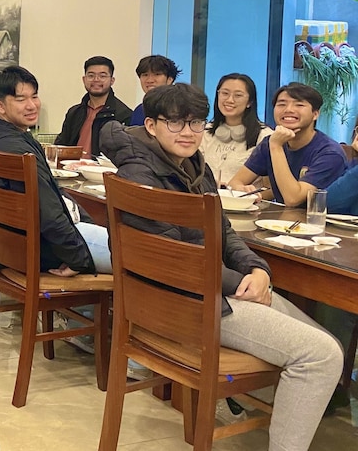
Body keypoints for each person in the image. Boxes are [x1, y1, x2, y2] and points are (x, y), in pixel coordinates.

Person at [99, 83, 343, 449]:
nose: (188, 132)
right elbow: (175, 260)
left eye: (196, 123)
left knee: (328, 346)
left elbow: (223, 232)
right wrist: (239, 284)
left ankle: (251, 411)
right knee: (320, 355)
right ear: (151, 125)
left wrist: (257, 270)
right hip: (181, 303)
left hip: (206, 290)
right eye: (175, 123)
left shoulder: (192, 166)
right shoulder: (139, 175)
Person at [0, 66, 111, 275]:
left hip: (7, 247)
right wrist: (78, 260)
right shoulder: (17, 150)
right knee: (147, 263)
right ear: (0, 106)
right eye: (21, 99)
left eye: (35, 96)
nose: (32, 106)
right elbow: (48, 213)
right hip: (41, 250)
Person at [229, 82, 347, 206]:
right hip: (283, 217)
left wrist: (276, 146)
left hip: (318, 217)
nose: (288, 110)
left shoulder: (330, 153)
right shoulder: (269, 143)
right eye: (282, 104)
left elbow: (293, 199)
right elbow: (235, 183)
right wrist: (242, 190)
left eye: (299, 105)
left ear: (315, 114)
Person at [200, 73, 273, 185]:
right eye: (225, 93)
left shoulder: (265, 136)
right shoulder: (204, 130)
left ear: (250, 102)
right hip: (206, 194)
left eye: (238, 95)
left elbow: (269, 187)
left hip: (244, 196)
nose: (230, 100)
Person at [55, 56, 132, 157]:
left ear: (112, 80)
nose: (96, 80)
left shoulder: (123, 114)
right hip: (71, 166)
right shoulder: (74, 112)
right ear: (84, 79)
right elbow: (61, 145)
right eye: (91, 76)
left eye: (102, 76)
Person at [128, 55, 180, 126]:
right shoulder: (139, 111)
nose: (150, 80)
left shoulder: (179, 108)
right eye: (145, 75)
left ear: (169, 79)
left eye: (157, 74)